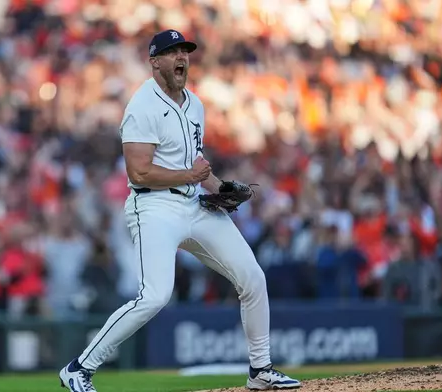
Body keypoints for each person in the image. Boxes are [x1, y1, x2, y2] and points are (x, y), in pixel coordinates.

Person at [59, 29, 301, 391]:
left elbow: (195, 165)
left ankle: (260, 370)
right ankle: (79, 368)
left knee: (253, 277)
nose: (181, 58)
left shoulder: (195, 104)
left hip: (194, 202)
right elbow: (138, 171)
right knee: (154, 295)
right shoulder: (142, 105)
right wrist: (191, 175)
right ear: (155, 61)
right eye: (172, 52)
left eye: (185, 51)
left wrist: (219, 186)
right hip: (154, 206)